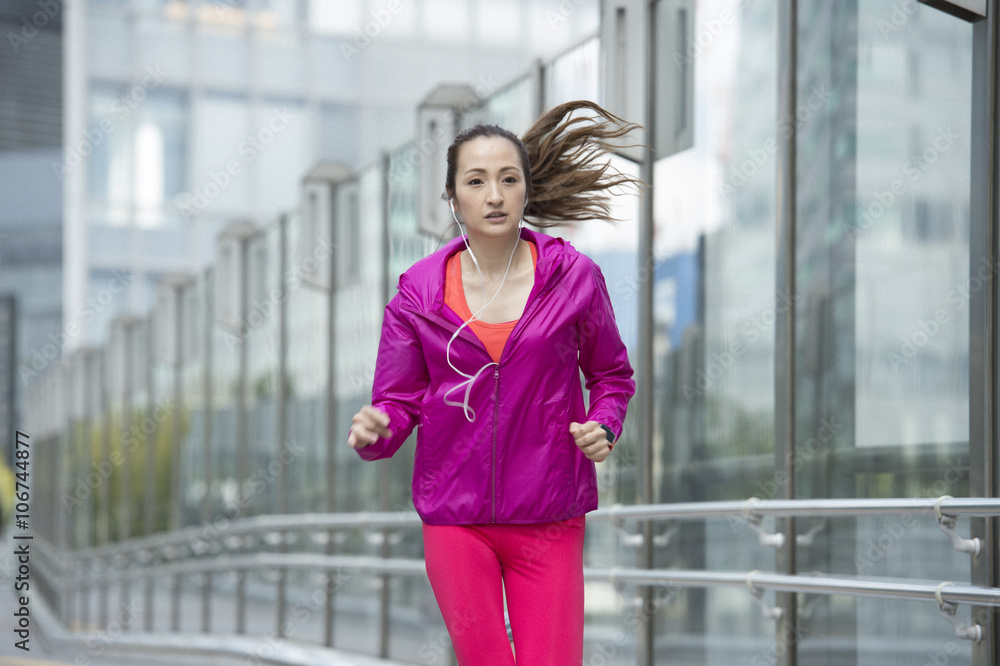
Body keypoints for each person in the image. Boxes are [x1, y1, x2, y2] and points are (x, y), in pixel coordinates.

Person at [348, 100, 639, 665]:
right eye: (476, 181)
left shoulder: (574, 276)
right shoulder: (418, 291)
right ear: (452, 198)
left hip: (551, 516)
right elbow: (398, 402)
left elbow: (610, 375)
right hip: (456, 521)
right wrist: (376, 429)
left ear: (527, 190)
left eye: (509, 179)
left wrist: (604, 424)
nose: (495, 194)